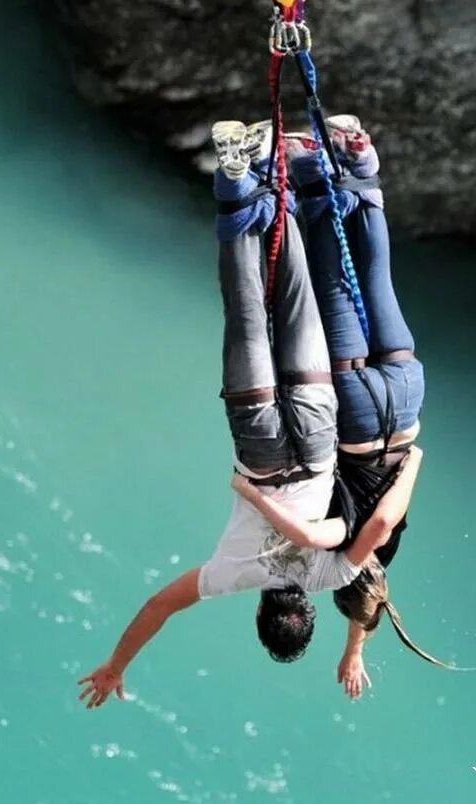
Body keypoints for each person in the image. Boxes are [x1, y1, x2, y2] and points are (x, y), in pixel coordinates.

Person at [78, 120, 394, 710]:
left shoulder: (329, 578)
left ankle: (277, 184)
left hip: (319, 433)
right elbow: (158, 608)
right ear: (258, 610)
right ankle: (236, 176)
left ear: (304, 611)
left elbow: (372, 580)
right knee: (248, 313)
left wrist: (355, 651)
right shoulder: (228, 575)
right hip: (260, 446)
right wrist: (114, 666)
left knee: (295, 299)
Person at [232, 115, 427, 699]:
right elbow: (333, 541)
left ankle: (362, 166)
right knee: (332, 287)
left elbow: (369, 592)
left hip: (407, 399)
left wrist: (353, 652)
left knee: (375, 277)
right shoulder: (336, 553)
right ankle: (316, 168)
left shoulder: (373, 561)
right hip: (359, 418)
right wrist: (251, 495)